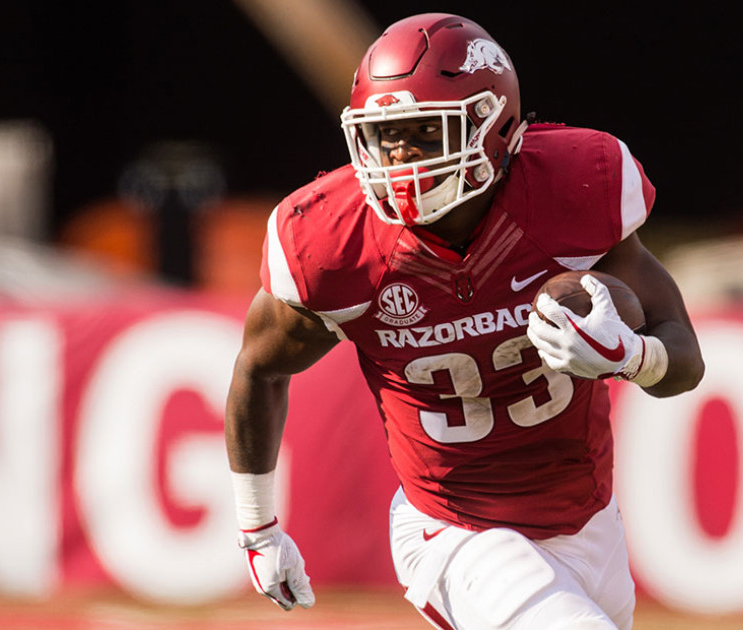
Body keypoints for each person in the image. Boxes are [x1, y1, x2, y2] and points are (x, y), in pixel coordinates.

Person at [225, 12, 704, 630]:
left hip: (589, 521)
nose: (399, 159)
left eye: (423, 133)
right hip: (455, 531)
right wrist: (258, 528)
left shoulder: (572, 188)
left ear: (494, 126)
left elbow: (684, 358)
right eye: (383, 137)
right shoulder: (333, 239)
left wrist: (630, 357)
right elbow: (258, 369)